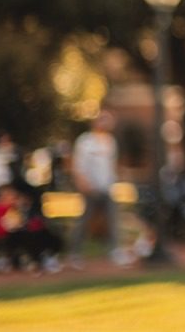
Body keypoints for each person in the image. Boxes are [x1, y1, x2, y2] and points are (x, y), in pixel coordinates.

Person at [69, 110, 130, 268]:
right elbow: (78, 165)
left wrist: (115, 182)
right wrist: (83, 183)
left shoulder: (110, 141)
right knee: (84, 220)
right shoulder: (85, 141)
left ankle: (115, 250)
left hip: (107, 187)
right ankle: (75, 253)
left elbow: (111, 165)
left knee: (113, 218)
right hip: (90, 188)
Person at [0, 184, 64, 273]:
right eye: (12, 197)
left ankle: (39, 259)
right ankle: (40, 260)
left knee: (32, 234)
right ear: (4, 197)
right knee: (30, 236)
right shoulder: (1, 208)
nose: (14, 199)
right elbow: (11, 226)